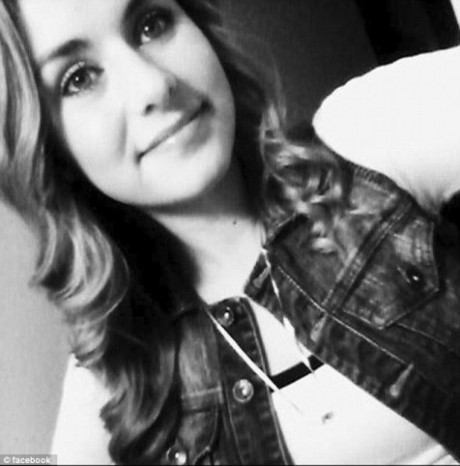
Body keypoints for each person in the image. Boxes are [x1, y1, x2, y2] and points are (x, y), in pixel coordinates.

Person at [1, 0, 460, 464]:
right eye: (79, 78)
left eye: (152, 24)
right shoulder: (117, 375)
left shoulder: (361, 145)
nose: (153, 85)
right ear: (50, 149)